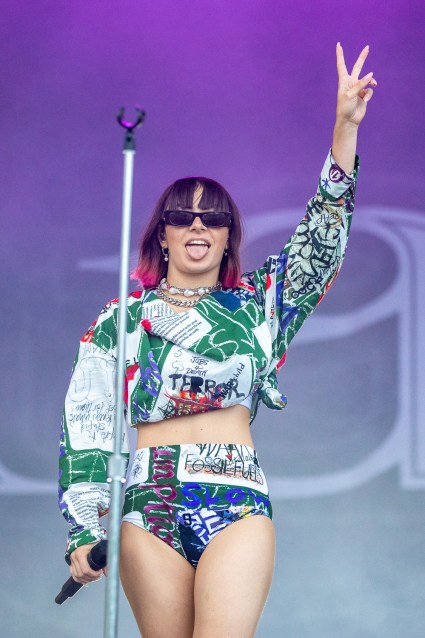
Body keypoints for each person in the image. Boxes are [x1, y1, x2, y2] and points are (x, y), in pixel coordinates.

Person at [59, 43, 376, 637]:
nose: (198, 225)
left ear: (230, 235)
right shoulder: (122, 318)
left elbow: (323, 238)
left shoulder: (260, 303)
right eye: (182, 216)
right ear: (163, 235)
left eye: (214, 217)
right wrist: (83, 527)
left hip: (236, 497)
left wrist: (344, 129)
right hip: (149, 503)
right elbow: (87, 422)